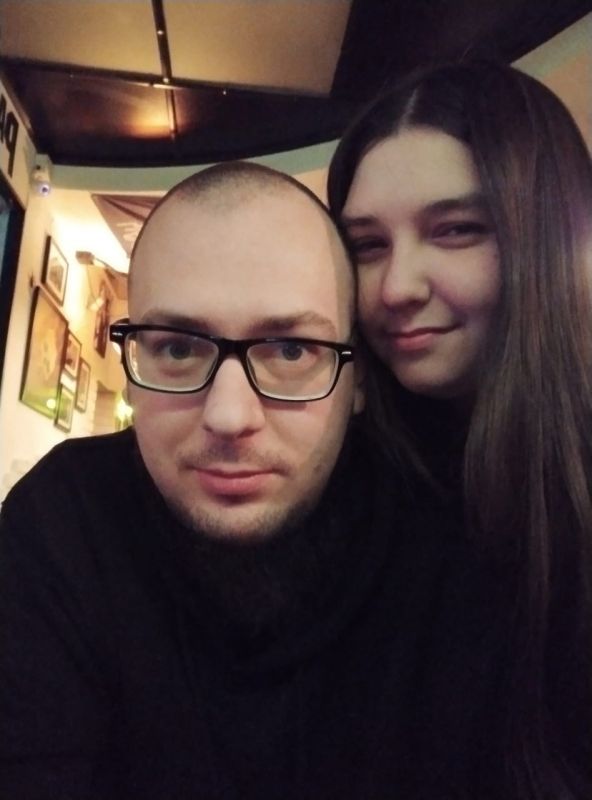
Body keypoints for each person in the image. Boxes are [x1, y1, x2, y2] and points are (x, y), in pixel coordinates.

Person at [0, 161, 503, 799]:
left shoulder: (452, 551)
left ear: (358, 383)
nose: (230, 417)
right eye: (178, 348)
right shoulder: (61, 523)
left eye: (291, 350)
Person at [327, 60, 592, 800]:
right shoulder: (343, 483)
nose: (397, 287)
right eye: (367, 245)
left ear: (545, 235)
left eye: (455, 231)